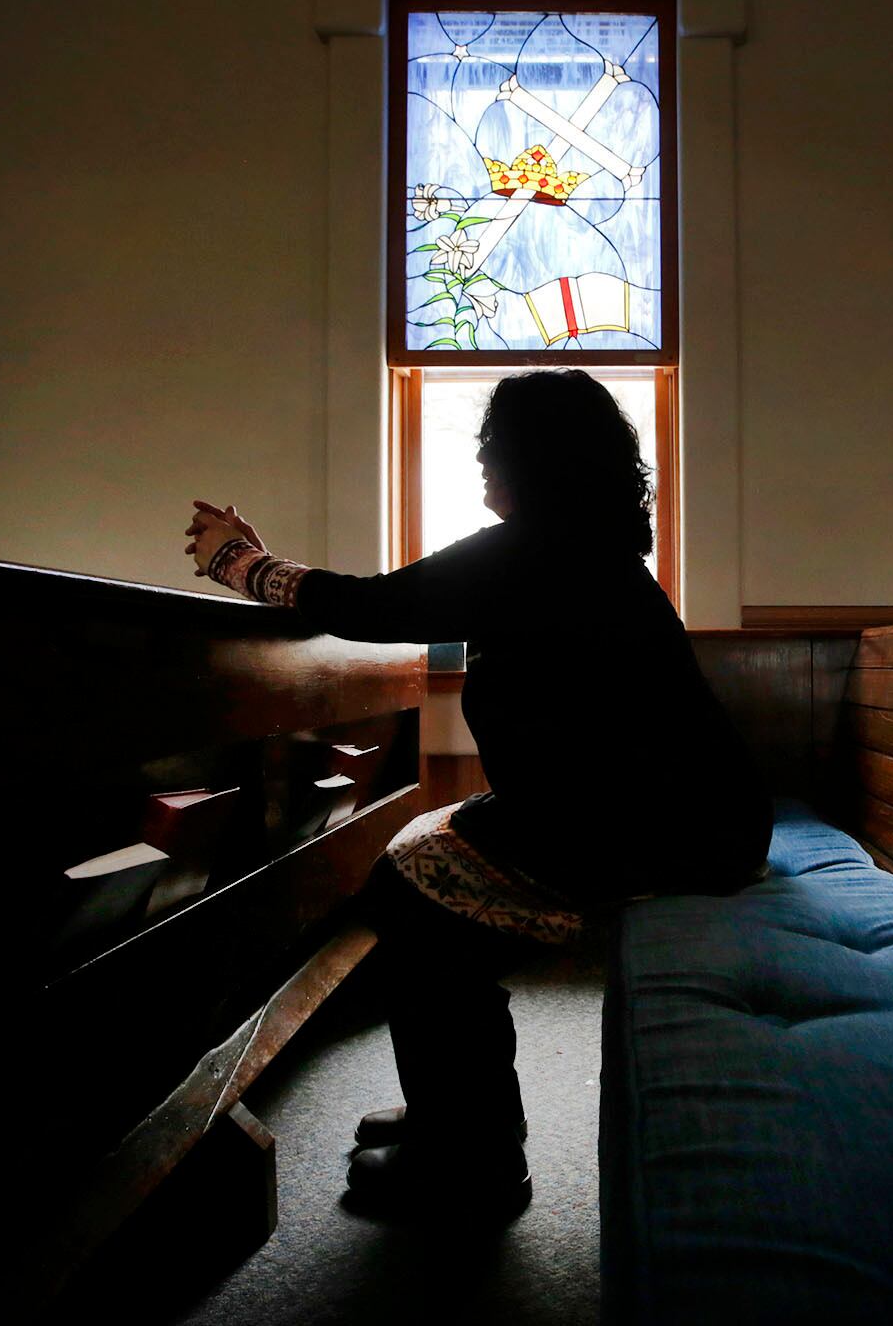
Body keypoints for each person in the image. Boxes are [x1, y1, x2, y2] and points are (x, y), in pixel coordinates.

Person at [181, 368, 773, 1219]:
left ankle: (471, 1161)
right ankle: (457, 1112)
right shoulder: (580, 547)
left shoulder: (537, 551)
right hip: (657, 809)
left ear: (536, 458)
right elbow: (397, 604)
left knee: (412, 898)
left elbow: (375, 606)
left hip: (655, 825)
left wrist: (237, 562)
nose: (483, 464)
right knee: (417, 859)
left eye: (494, 448)